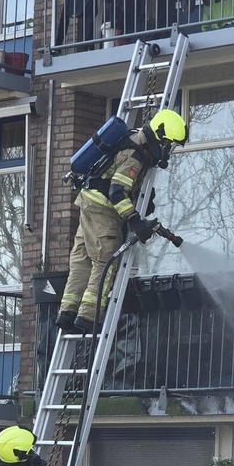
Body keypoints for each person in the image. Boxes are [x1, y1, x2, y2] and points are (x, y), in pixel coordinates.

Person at [56, 109, 188, 335]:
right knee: (105, 261)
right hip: (104, 210)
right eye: (170, 144)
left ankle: (68, 312)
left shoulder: (134, 139)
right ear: (161, 137)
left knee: (83, 260)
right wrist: (135, 221)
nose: (168, 150)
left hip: (88, 203)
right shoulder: (136, 153)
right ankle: (88, 317)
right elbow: (117, 191)